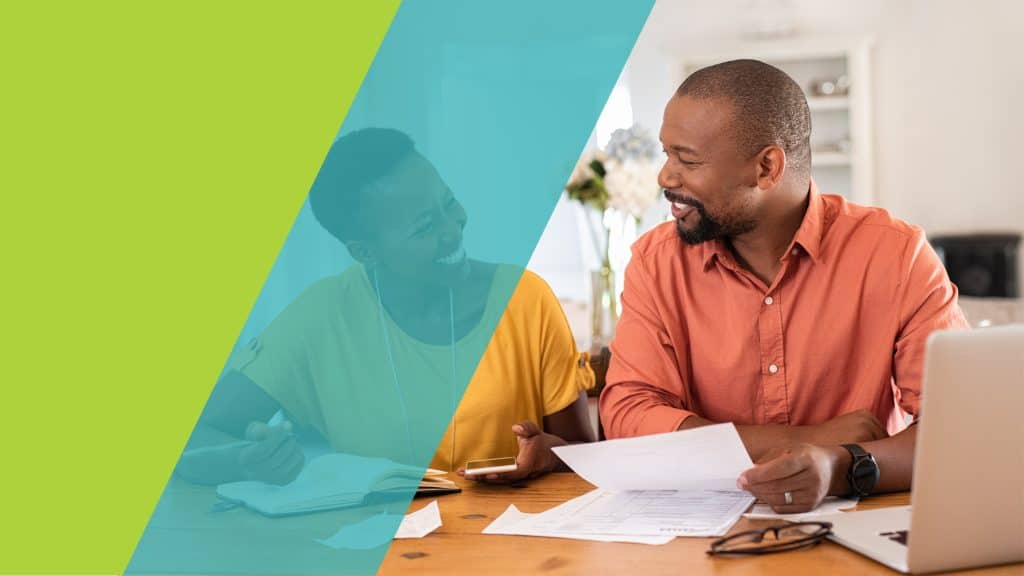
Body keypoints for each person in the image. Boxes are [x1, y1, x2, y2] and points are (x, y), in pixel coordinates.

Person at [600, 60, 968, 513]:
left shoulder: (895, 255)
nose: (665, 176)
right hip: (696, 533)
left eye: (688, 160)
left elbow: (958, 427)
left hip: (858, 524)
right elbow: (628, 415)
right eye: (666, 154)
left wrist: (838, 465)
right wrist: (805, 440)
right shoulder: (656, 263)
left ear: (767, 168)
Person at [176, 128, 595, 486]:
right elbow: (194, 435)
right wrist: (242, 461)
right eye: (425, 227)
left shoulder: (525, 298)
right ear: (365, 251)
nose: (453, 230)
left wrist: (545, 455)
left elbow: (583, 454)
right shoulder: (321, 316)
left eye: (448, 204)